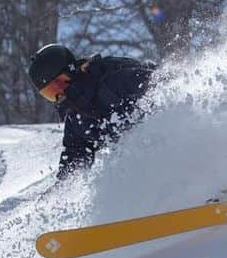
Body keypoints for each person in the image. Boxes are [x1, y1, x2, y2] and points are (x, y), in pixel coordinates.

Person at [27, 43, 157, 179]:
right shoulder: (76, 121)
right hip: (143, 158)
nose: (59, 94)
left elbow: (158, 81)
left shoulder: (110, 81)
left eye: (59, 84)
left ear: (71, 71)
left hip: (162, 131)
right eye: (50, 92)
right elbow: (74, 156)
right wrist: (62, 186)